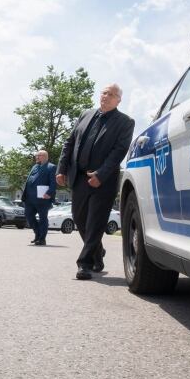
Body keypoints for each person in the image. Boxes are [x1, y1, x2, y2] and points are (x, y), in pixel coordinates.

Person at [56, 83, 135, 280]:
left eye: (112, 94)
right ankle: (97, 252)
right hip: (80, 177)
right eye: (104, 92)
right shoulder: (86, 114)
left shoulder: (125, 122)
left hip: (103, 181)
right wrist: (61, 168)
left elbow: (119, 152)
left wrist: (100, 174)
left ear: (119, 100)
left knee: (95, 222)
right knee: (79, 218)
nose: (106, 96)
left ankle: (85, 264)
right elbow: (70, 142)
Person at [21, 150, 56, 246]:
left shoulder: (51, 167)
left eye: (38, 156)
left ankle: (42, 239)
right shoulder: (35, 166)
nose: (36, 157)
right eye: (36, 156)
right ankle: (37, 233)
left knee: (43, 218)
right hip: (29, 198)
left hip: (43, 198)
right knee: (29, 216)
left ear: (45, 156)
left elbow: (53, 182)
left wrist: (49, 193)